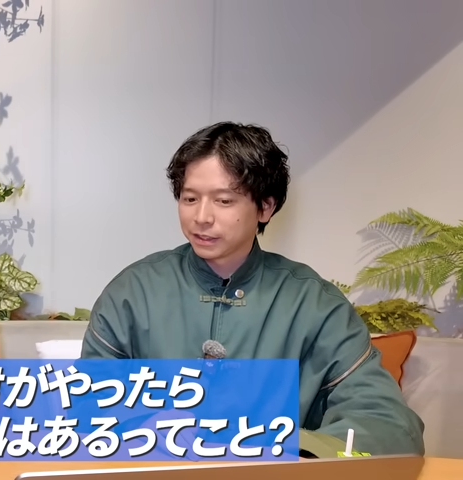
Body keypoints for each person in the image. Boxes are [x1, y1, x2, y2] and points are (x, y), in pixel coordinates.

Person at [80, 121, 425, 458]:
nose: (201, 217)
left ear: (265, 206)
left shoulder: (314, 304)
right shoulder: (133, 293)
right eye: (190, 198)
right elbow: (85, 411)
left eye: (223, 201)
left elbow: (388, 425)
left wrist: (283, 448)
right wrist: (144, 430)